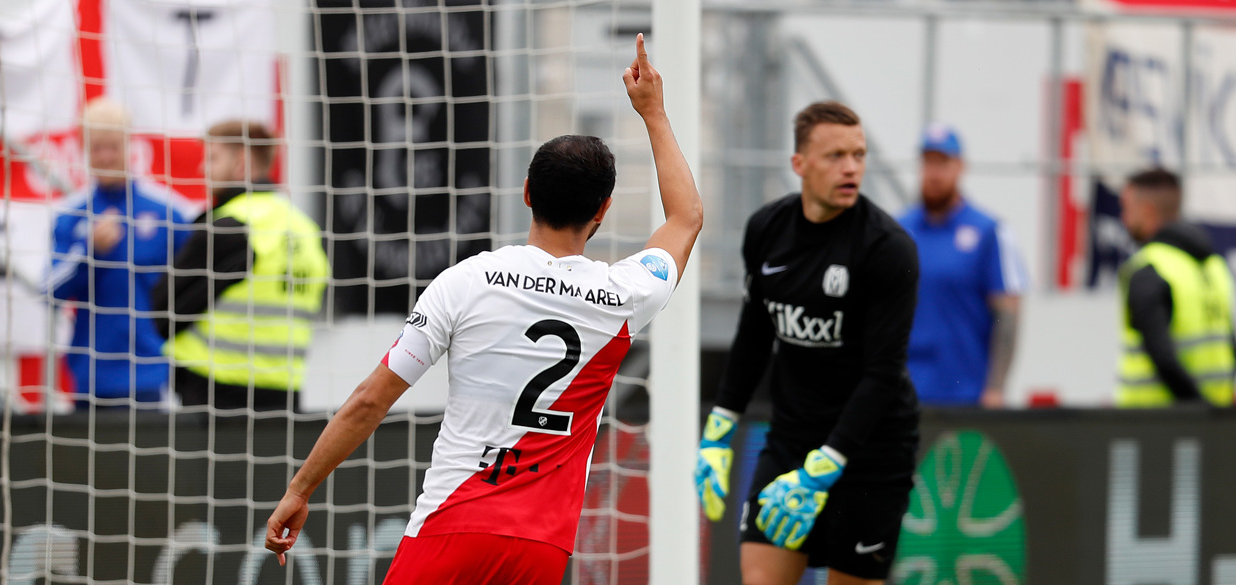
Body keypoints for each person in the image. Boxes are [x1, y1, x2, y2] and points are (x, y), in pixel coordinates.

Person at [263, 35, 702, 584]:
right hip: (541, 546)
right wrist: (653, 113)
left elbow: (370, 400)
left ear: (527, 192)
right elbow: (685, 217)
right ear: (603, 210)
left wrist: (299, 489)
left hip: (451, 527)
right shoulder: (623, 296)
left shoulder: (465, 281)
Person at [695, 101, 920, 585]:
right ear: (799, 163)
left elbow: (883, 374)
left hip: (869, 452)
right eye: (836, 155)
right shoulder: (766, 229)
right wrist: (719, 428)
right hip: (790, 442)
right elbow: (754, 334)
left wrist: (827, 465)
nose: (851, 168)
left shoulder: (888, 248)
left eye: (858, 155)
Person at [151, 120, 330, 413]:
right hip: (284, 387)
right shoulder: (304, 228)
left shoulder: (231, 225)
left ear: (241, 162)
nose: (202, 169)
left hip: (215, 388)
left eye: (212, 158)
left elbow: (164, 309)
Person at [44, 98, 190, 408]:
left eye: (113, 147)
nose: (106, 156)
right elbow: (48, 290)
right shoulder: (71, 215)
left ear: (129, 145)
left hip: (151, 375)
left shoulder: (167, 213)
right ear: (84, 150)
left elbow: (192, 292)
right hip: (91, 376)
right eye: (97, 148)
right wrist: (90, 253)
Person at [897, 123, 1026, 408]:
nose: (934, 173)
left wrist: (996, 387)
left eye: (943, 163)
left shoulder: (988, 232)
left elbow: (1007, 313)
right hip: (906, 394)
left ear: (960, 167)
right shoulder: (899, 231)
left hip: (965, 395)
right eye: (928, 163)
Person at [1115, 168, 1234, 407]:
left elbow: (1163, 359)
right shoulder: (1213, 265)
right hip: (1217, 418)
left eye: (1127, 209)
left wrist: (1201, 412)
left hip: (1155, 419)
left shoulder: (1149, 269)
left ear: (1147, 211)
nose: (1123, 219)